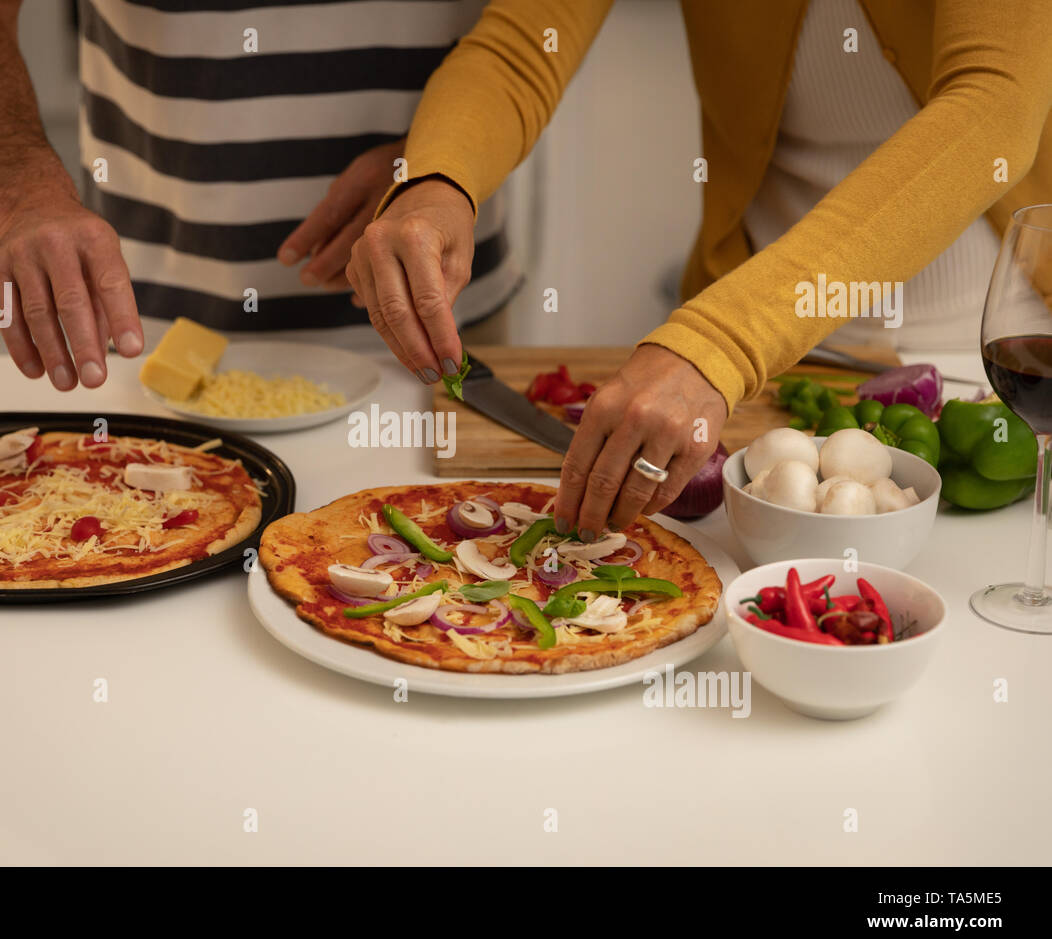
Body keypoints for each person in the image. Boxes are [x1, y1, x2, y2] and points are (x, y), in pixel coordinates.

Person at [348, 0, 1052, 541]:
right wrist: (435, 181)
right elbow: (521, 42)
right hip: (761, 372)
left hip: (997, 351)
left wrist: (721, 338)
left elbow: (997, 101)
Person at [0, 0, 521, 390]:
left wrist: (440, 163)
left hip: (446, 312)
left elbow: (537, 30)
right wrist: (24, 196)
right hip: (148, 325)